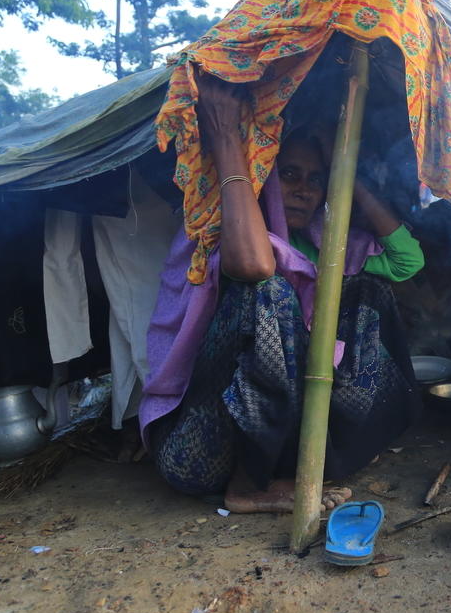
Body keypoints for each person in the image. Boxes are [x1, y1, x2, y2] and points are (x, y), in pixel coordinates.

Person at [140, 72, 423, 512]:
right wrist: (225, 139)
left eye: (315, 179)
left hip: (277, 449)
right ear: (265, 178)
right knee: (267, 291)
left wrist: (344, 169)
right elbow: (254, 266)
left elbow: (408, 261)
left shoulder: (320, 249)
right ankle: (246, 489)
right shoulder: (224, 232)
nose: (304, 190)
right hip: (199, 449)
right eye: (289, 175)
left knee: (369, 290)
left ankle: (323, 454)